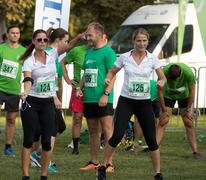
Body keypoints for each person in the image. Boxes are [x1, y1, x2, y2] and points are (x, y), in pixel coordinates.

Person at [97, 28, 166, 180]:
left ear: (148, 41)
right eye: (138, 41)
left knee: (151, 139)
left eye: (144, 41)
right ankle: (102, 166)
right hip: (126, 101)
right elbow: (112, 71)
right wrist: (108, 79)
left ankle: (158, 173)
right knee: (117, 135)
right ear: (133, 41)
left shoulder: (152, 58)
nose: (141, 44)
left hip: (144, 103)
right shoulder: (124, 57)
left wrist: (161, 82)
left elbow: (163, 77)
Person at [19, 29, 84, 180]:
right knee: (29, 140)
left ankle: (44, 175)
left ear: (47, 42)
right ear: (34, 41)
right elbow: (28, 79)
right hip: (31, 102)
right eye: (39, 40)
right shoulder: (29, 61)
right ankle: (25, 176)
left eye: (44, 40)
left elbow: (69, 46)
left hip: (48, 103)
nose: (42, 42)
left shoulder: (52, 54)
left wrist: (79, 37)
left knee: (47, 142)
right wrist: (26, 92)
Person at [75, 22, 116, 172]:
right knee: (93, 131)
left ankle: (109, 163)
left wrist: (106, 94)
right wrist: (80, 88)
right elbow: (86, 74)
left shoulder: (108, 52)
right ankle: (94, 161)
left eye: (89, 35)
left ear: (99, 35)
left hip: (103, 98)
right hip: (89, 98)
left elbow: (113, 76)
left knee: (107, 131)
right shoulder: (89, 52)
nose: (87, 38)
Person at [29, 27, 70, 173]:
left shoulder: (55, 56)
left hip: (52, 98)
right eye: (66, 41)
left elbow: (57, 80)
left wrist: (59, 97)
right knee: (52, 129)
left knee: (57, 128)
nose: (67, 44)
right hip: (44, 99)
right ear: (58, 41)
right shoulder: (50, 55)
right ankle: (42, 157)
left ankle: (37, 154)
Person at [0, 25, 26, 156]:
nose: (15, 35)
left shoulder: (24, 51)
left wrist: (25, 89)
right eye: (12, 33)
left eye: (17, 33)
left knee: (11, 119)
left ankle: (8, 147)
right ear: (7, 35)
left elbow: (27, 72)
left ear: (19, 35)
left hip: (14, 90)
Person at [156, 63, 201, 159]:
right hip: (168, 95)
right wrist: (163, 109)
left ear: (180, 75)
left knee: (188, 122)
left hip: (185, 96)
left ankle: (195, 152)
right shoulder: (163, 72)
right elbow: (159, 92)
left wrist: (189, 109)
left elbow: (192, 92)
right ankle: (154, 149)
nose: (175, 82)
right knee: (163, 121)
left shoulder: (188, 73)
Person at [61, 44, 88, 155]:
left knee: (95, 119)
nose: (89, 39)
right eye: (88, 36)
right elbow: (62, 62)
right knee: (77, 117)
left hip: (94, 90)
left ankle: (99, 142)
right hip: (78, 89)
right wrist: (67, 79)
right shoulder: (77, 50)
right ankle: (75, 146)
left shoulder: (100, 51)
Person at [133, 80, 161, 152]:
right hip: (145, 96)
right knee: (139, 119)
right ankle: (138, 141)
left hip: (150, 96)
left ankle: (138, 141)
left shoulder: (155, 84)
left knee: (155, 120)